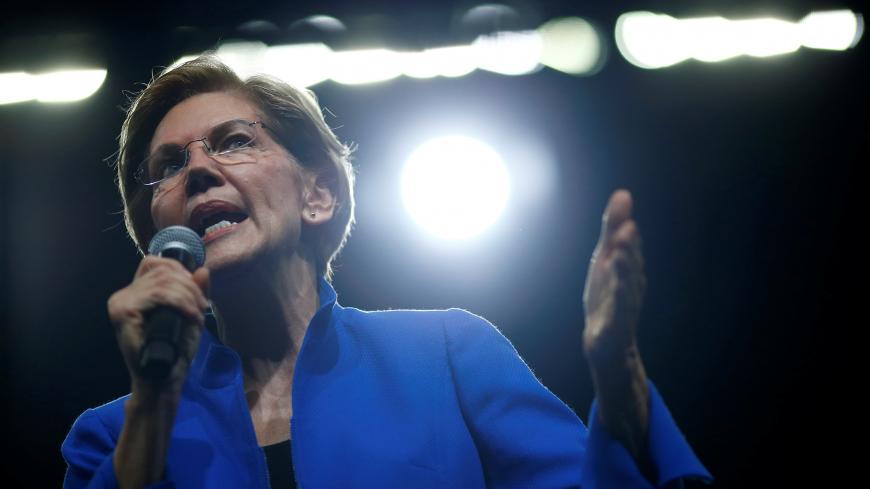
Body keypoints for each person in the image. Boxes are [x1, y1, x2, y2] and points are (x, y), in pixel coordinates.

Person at [61, 55, 711, 489]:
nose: (197, 168)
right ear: (157, 235)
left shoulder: (448, 355)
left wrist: (618, 377)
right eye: (168, 165)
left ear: (318, 194)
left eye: (233, 140)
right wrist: (153, 405)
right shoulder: (110, 436)